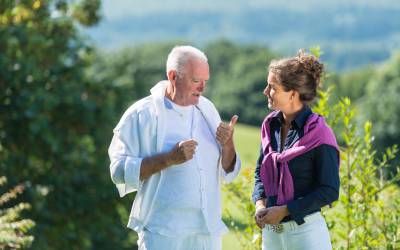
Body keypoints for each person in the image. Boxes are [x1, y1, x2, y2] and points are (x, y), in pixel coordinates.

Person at [108, 45, 241, 250]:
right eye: (196, 81)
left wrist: (228, 144)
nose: (202, 88)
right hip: (162, 232)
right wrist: (169, 159)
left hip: (206, 232)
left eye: (205, 81)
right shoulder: (142, 114)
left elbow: (228, 170)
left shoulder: (208, 109)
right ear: (173, 76)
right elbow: (118, 171)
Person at [252, 50, 340, 250]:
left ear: (292, 93)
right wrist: (260, 205)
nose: (266, 91)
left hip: (306, 236)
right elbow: (260, 172)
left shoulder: (320, 134)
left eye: (272, 87)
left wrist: (285, 210)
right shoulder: (270, 126)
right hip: (271, 235)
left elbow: (330, 190)